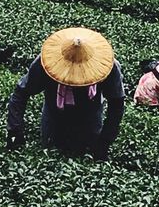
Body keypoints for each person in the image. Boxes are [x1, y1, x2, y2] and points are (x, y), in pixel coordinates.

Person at [7, 28, 125, 160]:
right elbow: (21, 93)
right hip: (54, 116)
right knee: (50, 157)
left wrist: (104, 141)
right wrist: (15, 130)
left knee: (87, 157)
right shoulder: (46, 63)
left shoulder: (109, 66)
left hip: (90, 117)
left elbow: (117, 104)